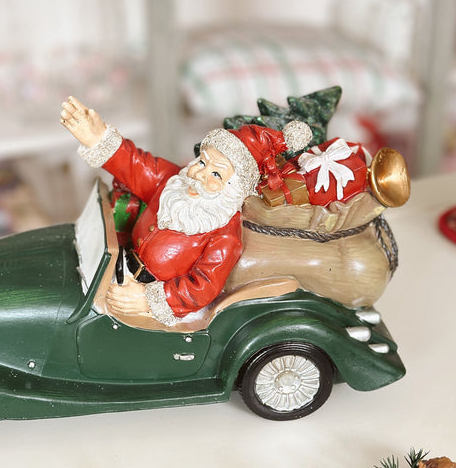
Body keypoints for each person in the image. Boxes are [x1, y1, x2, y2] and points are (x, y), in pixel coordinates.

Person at [60, 96, 312, 326]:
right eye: (202, 162)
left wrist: (148, 299)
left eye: (216, 174)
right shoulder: (172, 181)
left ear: (233, 190)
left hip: (154, 302)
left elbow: (202, 286)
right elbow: (135, 165)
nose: (200, 175)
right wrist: (98, 138)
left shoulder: (225, 237)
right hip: (118, 267)